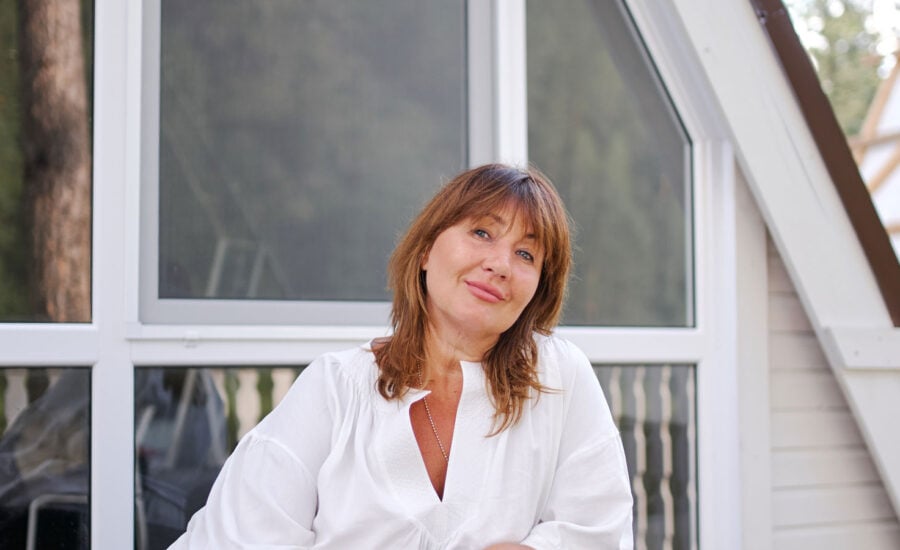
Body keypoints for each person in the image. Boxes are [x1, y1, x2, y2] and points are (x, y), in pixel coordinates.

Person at [169, 163, 633, 549]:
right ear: (428, 248)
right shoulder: (335, 389)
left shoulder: (558, 378)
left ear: (539, 289)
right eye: (481, 232)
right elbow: (239, 537)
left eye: (527, 255)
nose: (500, 265)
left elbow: (600, 532)